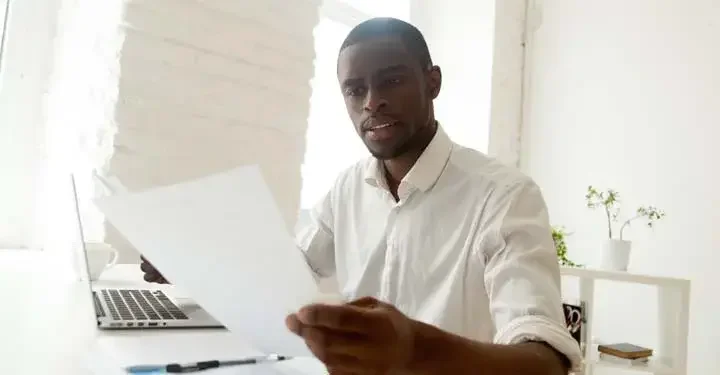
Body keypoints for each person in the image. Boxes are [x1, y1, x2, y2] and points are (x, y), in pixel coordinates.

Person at [141, 17, 582, 375]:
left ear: (433, 82)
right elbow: (290, 269)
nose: (372, 102)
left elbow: (545, 361)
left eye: (392, 81)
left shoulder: (504, 195)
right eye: (355, 90)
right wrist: (195, 260)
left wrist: (414, 350)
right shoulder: (348, 187)